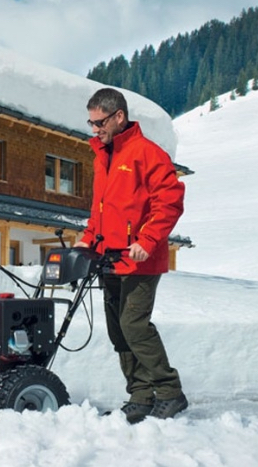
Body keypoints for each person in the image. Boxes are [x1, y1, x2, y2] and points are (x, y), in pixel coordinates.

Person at [75, 87, 187, 424]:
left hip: (141, 258)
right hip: (109, 258)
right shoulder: (102, 157)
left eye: (100, 122)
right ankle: (140, 395)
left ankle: (169, 391)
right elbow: (100, 211)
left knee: (133, 325)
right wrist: (86, 241)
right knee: (118, 330)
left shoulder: (147, 154)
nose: (95, 129)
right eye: (92, 123)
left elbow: (170, 202)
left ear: (119, 116)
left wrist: (147, 239)